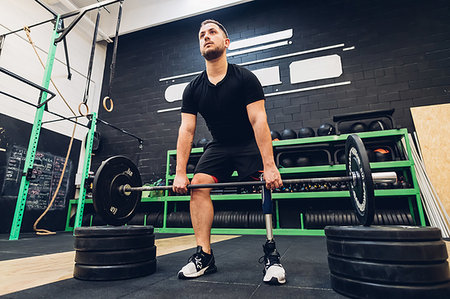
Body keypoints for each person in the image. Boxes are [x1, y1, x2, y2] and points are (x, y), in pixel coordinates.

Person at [173, 19, 286, 284]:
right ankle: (204, 255)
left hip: (248, 143)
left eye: (212, 32)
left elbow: (259, 121)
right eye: (202, 34)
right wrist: (180, 173)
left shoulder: (245, 78)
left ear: (226, 42)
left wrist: (269, 166)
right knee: (198, 184)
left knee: (264, 183)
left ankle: (272, 256)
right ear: (199, 45)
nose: (206, 37)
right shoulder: (192, 89)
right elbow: (186, 131)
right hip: (219, 145)